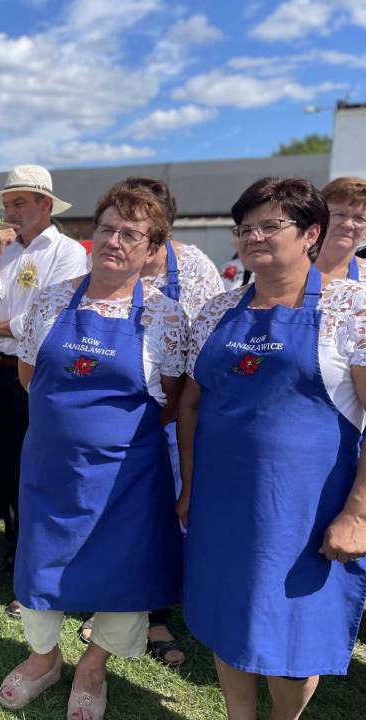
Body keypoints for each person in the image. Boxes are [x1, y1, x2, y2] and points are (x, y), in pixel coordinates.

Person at [178, 177, 366, 719]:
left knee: (292, 644)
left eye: (270, 225)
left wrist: (358, 513)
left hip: (302, 512)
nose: (253, 236)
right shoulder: (217, 309)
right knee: (227, 618)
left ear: (310, 233)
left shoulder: (352, 309)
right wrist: (190, 487)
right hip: (222, 502)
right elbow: (191, 404)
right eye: (245, 228)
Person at [0, 184, 185, 719]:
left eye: (130, 234)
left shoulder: (166, 316)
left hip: (127, 477)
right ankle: (43, 658)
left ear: (152, 249)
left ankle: (93, 667)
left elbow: (172, 401)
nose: (114, 241)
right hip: (50, 468)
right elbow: (29, 375)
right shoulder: (51, 299)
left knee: (123, 573)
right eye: (106, 228)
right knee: (39, 565)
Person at [78, 177, 223, 667]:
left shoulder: (194, 266)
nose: (122, 235)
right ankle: (107, 600)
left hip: (171, 414)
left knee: (162, 513)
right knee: (112, 509)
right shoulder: (104, 262)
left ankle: (155, 612)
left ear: (161, 231)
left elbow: (202, 341)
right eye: (117, 224)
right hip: (117, 416)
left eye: (139, 226)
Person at [0, 164, 88, 617]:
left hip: (35, 373)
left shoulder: (66, 252)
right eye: (7, 204)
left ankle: (35, 564)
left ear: (46, 205)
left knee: (35, 472)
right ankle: (15, 548)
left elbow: (49, 316)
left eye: (19, 203)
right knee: (1, 467)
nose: (10, 212)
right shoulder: (1, 250)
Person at [316, 176, 366, 283]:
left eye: (359, 218)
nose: (348, 225)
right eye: (339, 214)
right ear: (319, 216)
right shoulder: (288, 268)